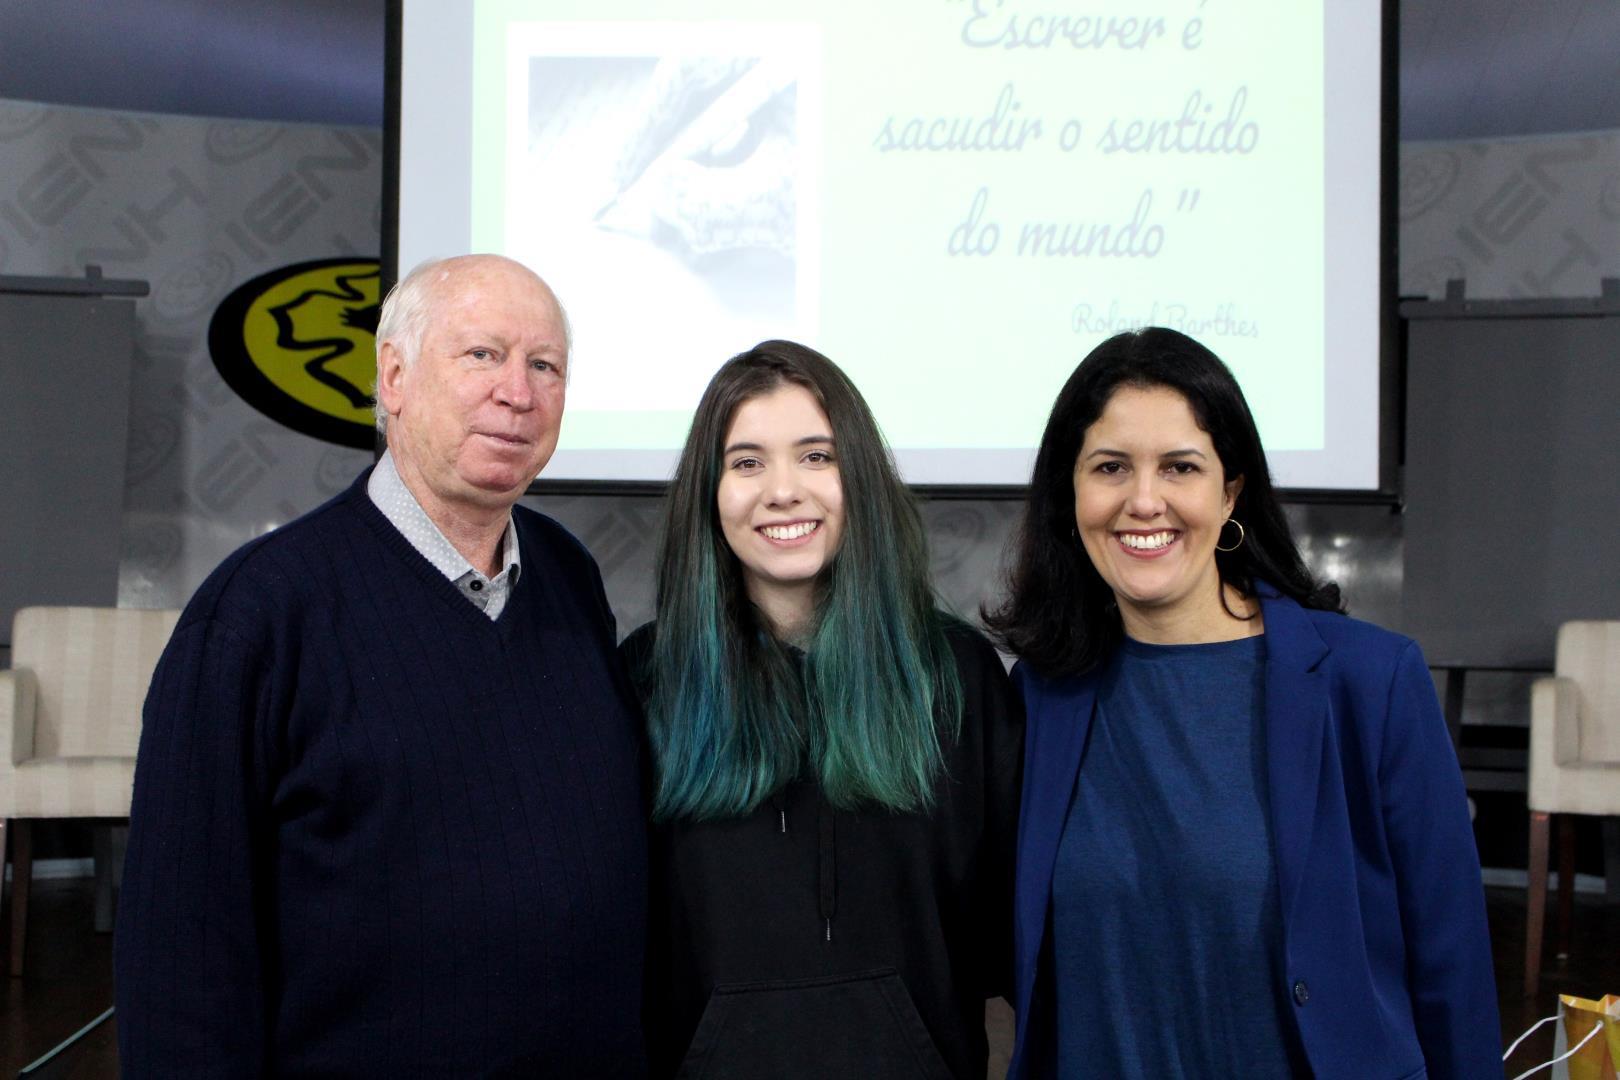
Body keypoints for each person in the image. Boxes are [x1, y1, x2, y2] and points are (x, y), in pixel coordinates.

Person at [116, 255, 648, 1077]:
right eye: (482, 355)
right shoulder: (257, 615)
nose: (519, 392)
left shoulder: (570, 577)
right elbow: (181, 951)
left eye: (545, 366)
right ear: (393, 377)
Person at [985, 327, 1500, 1079]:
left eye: (1181, 467)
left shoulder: (1371, 681)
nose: (1143, 500)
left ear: (1231, 491)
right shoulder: (1040, 696)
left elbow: (1451, 964)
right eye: (1109, 467)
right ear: (1071, 492)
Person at [621, 340, 1023, 1079]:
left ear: (859, 478)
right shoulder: (645, 680)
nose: (783, 490)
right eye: (747, 463)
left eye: (817, 456)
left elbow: (1012, 938)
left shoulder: (957, 677)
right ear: (709, 492)